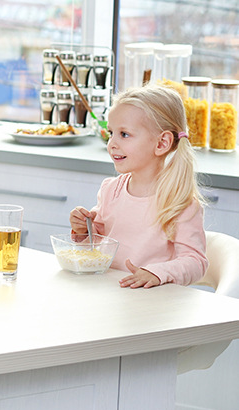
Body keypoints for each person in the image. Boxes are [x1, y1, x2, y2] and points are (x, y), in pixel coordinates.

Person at [69, 84, 207, 288]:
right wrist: (83, 230)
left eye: (124, 134)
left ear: (162, 143)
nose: (112, 143)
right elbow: (99, 239)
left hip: (154, 305)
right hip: (111, 294)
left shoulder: (180, 203)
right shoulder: (110, 190)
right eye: (111, 133)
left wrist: (157, 273)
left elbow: (196, 262)